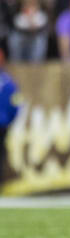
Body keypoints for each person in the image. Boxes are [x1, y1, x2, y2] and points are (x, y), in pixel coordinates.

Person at [0, 50, 20, 183]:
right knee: (1, 153)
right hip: (3, 124)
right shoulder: (8, 82)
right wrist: (10, 120)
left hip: (3, 123)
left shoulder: (8, 82)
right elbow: (16, 104)